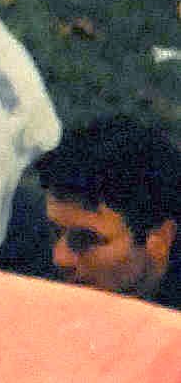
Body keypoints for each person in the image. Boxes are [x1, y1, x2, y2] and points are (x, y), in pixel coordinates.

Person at [18, 117, 181, 309]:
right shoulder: (20, 254)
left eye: (85, 240)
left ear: (160, 239)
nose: (60, 259)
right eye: (54, 232)